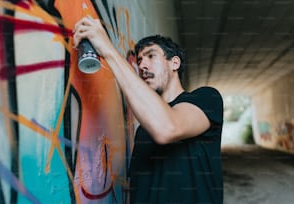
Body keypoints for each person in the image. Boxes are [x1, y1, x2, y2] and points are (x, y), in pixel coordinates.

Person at [73, 17, 224, 204]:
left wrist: (107, 49)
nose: (143, 66)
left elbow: (168, 128)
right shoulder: (143, 131)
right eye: (140, 60)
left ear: (174, 63)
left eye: (151, 56)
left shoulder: (207, 99)